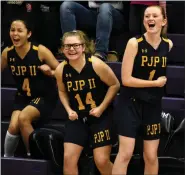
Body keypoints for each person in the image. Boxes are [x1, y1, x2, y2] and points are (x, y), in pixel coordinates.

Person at [112, 5, 173, 175]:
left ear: (164, 21)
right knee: (125, 154)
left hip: (152, 105)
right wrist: (154, 83)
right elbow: (126, 80)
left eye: (154, 15)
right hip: (130, 103)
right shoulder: (134, 43)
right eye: (147, 16)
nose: (150, 19)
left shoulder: (168, 45)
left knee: (151, 156)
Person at [55, 30, 120, 175]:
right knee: (68, 159)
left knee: (101, 161)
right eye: (67, 46)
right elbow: (62, 91)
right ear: (62, 49)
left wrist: (101, 108)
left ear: (84, 47)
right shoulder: (61, 69)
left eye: (75, 45)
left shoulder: (96, 64)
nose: (71, 49)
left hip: (100, 118)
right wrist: (68, 109)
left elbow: (115, 85)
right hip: (77, 118)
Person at [1, 19, 59, 157]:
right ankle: (7, 159)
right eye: (12, 30)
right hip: (23, 97)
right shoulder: (7, 53)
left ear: (29, 34)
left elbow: (63, 72)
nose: (15, 34)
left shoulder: (40, 51)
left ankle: (32, 156)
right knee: (13, 127)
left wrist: (50, 72)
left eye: (19, 30)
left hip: (44, 96)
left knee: (23, 118)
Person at [60, 1, 125, 61]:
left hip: (114, 14)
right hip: (92, 12)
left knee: (105, 7)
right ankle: (69, 48)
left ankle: (100, 53)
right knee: (67, 5)